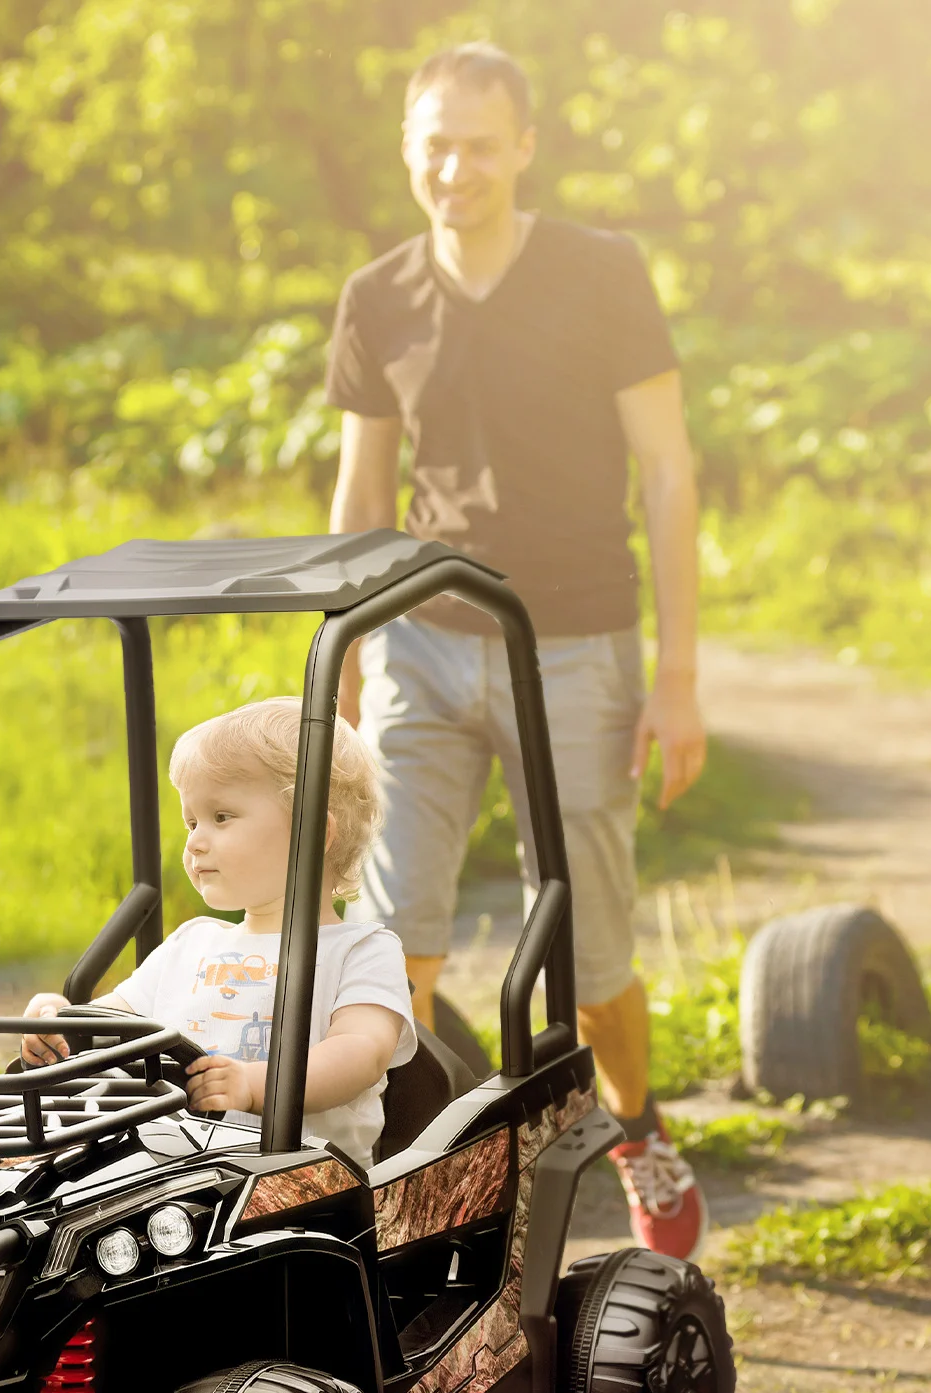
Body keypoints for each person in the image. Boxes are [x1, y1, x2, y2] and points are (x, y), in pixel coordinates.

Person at [325, 39, 709, 1256]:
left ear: (523, 147)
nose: (456, 168)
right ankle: (397, 1202)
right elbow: (359, 496)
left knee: (592, 961)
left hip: (577, 647)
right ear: (406, 150)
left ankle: (636, 1124)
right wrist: (332, 677)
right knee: (394, 945)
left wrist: (679, 676)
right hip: (420, 650)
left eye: (479, 144)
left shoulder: (600, 273)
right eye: (434, 144)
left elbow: (666, 467)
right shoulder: (376, 297)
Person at [22, 698, 417, 1164]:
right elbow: (107, 1024)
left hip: (301, 1179)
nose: (194, 840)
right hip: (169, 1178)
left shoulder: (361, 950)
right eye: (191, 821)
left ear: (311, 831)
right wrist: (56, 1018)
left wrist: (255, 1085)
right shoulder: (191, 944)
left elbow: (361, 1053)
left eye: (221, 817)